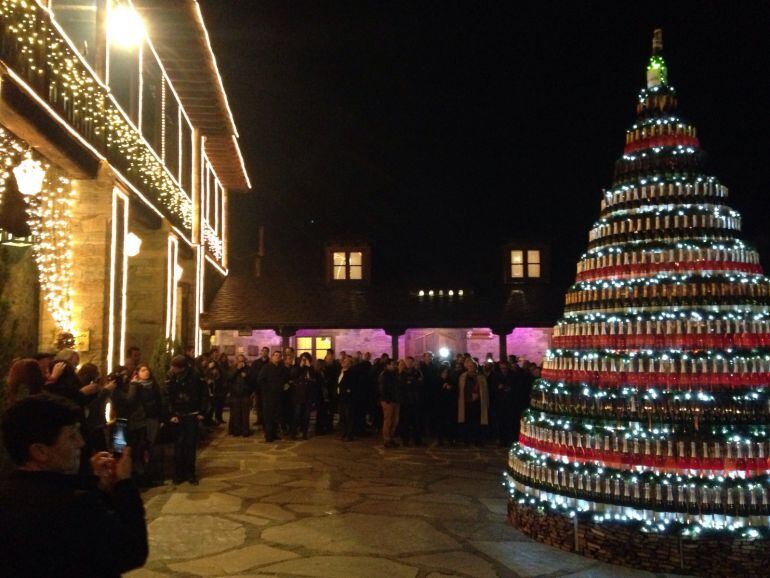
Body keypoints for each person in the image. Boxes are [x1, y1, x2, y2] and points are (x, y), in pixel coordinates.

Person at [0, 394, 148, 577]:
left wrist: (95, 485)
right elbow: (132, 552)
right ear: (40, 451)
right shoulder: (73, 506)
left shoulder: (9, 494)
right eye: (71, 436)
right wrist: (124, 484)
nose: (81, 442)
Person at [166, 355, 206, 484]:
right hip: (178, 416)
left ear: (180, 368)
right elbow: (169, 396)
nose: (171, 368)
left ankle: (190, 474)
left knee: (190, 446)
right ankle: (178, 474)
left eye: (173, 366)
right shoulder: (172, 377)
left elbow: (203, 394)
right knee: (178, 446)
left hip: (191, 414)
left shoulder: (195, 377)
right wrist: (171, 414)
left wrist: (201, 412)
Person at [131, 365, 165, 485]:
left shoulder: (153, 385)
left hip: (153, 418)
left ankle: (152, 474)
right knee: (142, 447)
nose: (146, 372)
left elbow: (159, 401)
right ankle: (144, 476)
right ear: (137, 373)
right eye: (143, 370)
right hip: (142, 420)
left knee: (152, 446)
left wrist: (161, 417)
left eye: (147, 370)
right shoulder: (136, 386)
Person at [257, 351, 289, 442]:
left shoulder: (282, 368)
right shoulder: (266, 367)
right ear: (272, 357)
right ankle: (268, 435)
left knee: (276, 416)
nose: (277, 357)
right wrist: (268, 389)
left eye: (279, 356)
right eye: (276, 355)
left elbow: (286, 378)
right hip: (268, 397)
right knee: (268, 417)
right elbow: (260, 380)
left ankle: (274, 434)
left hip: (278, 396)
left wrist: (285, 384)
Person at [457, 358, 489, 446]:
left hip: (477, 403)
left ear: (476, 367)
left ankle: (477, 440)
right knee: (467, 422)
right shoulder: (463, 377)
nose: (471, 368)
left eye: (473, 366)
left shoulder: (481, 378)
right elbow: (460, 389)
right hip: (466, 402)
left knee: (477, 422)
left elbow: (485, 391)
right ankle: (467, 440)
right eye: (470, 366)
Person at [290, 353, 318, 439]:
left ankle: (304, 433)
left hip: (308, 396)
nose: (304, 360)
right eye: (303, 359)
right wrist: (300, 366)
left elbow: (314, 377)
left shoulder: (311, 368)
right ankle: (294, 433)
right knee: (297, 415)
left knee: (306, 416)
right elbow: (293, 375)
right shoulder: (297, 367)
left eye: (306, 359)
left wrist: (309, 366)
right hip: (298, 396)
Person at [397, 357, 424, 446]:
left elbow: (420, 383)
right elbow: (402, 386)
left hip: (415, 401)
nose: (409, 364)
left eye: (411, 362)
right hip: (406, 402)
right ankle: (405, 440)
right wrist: (413, 382)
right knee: (406, 422)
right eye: (407, 362)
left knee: (416, 421)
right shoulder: (402, 374)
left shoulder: (416, 372)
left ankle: (417, 440)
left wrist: (412, 382)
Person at [228, 354, 253, 437]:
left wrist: (246, 377)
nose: (240, 363)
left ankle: (245, 431)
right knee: (236, 414)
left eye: (242, 361)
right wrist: (237, 370)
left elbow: (252, 381)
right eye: (239, 361)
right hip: (235, 394)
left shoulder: (248, 369)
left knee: (245, 414)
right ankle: (236, 431)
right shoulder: (233, 368)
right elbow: (229, 378)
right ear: (236, 361)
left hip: (245, 394)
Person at [377, 358, 400, 448]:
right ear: (387, 365)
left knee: (395, 420)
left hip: (395, 400)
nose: (394, 366)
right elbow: (382, 388)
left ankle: (391, 437)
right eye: (392, 364)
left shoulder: (394, 374)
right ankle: (387, 439)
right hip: (388, 401)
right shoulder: (384, 375)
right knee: (388, 420)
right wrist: (387, 399)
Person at [436, 363, 458, 446]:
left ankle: (450, 439)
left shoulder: (450, 381)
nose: (445, 374)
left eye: (446, 373)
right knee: (440, 423)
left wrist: (450, 388)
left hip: (449, 405)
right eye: (443, 373)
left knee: (449, 422)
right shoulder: (437, 381)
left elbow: (454, 391)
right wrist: (442, 387)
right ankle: (440, 439)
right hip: (440, 405)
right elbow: (435, 393)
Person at [336, 356, 356, 441]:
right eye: (344, 360)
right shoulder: (340, 372)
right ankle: (343, 433)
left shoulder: (351, 373)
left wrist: (348, 391)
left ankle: (349, 435)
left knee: (349, 417)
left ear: (350, 364)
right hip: (340, 398)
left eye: (346, 361)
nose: (344, 362)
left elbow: (352, 385)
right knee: (342, 417)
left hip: (348, 399)